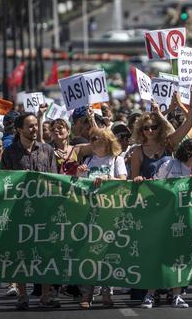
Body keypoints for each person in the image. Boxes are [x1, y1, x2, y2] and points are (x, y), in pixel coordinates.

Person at [0, 112, 60, 310]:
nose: (35, 129)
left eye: (36, 125)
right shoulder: (9, 153)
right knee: (20, 254)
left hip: (44, 210)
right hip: (19, 211)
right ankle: (22, 295)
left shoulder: (47, 150)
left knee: (46, 252)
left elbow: (55, 179)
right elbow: (4, 182)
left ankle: (45, 295)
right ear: (19, 129)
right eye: (31, 126)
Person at [140, 139, 192, 309]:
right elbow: (155, 185)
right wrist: (141, 181)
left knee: (180, 258)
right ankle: (149, 295)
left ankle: (177, 295)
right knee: (158, 257)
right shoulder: (169, 164)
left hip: (185, 222)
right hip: (164, 219)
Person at [76, 127, 127, 309]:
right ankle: (87, 294)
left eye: (95, 138)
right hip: (90, 213)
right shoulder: (88, 160)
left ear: (106, 141)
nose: (92, 141)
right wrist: (79, 174)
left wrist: (108, 179)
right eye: (90, 138)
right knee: (89, 254)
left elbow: (123, 181)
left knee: (107, 253)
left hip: (109, 212)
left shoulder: (116, 160)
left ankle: (107, 292)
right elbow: (79, 186)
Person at [130, 89, 192, 182]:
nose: (150, 130)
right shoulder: (138, 152)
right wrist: (138, 179)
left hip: (171, 193)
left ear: (160, 128)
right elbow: (133, 180)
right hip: (149, 195)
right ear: (141, 131)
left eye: (154, 127)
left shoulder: (169, 144)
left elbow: (190, 122)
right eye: (146, 128)